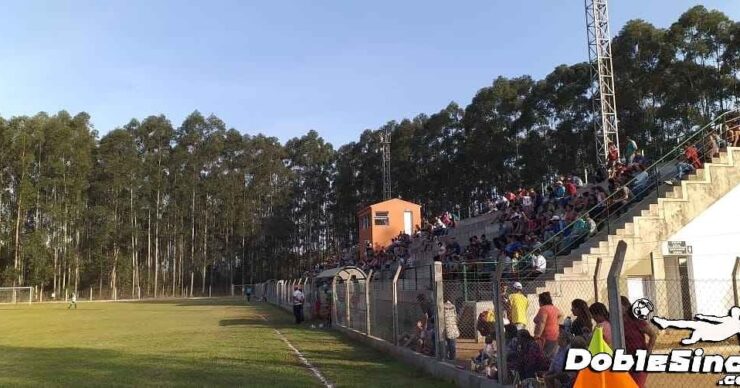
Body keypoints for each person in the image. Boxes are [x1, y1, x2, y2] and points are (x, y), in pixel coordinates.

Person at [621, 296, 656, 388]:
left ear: (626, 306)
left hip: (639, 356)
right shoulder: (619, 321)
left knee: (636, 384)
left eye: (619, 306)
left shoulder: (636, 319)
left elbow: (653, 335)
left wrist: (648, 352)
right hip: (626, 358)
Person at [533, 292, 563, 359]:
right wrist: (556, 324)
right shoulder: (554, 308)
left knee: (545, 356)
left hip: (546, 337)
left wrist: (537, 335)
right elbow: (561, 315)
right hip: (555, 335)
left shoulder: (543, 309)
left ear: (541, 301)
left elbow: (542, 322)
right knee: (553, 356)